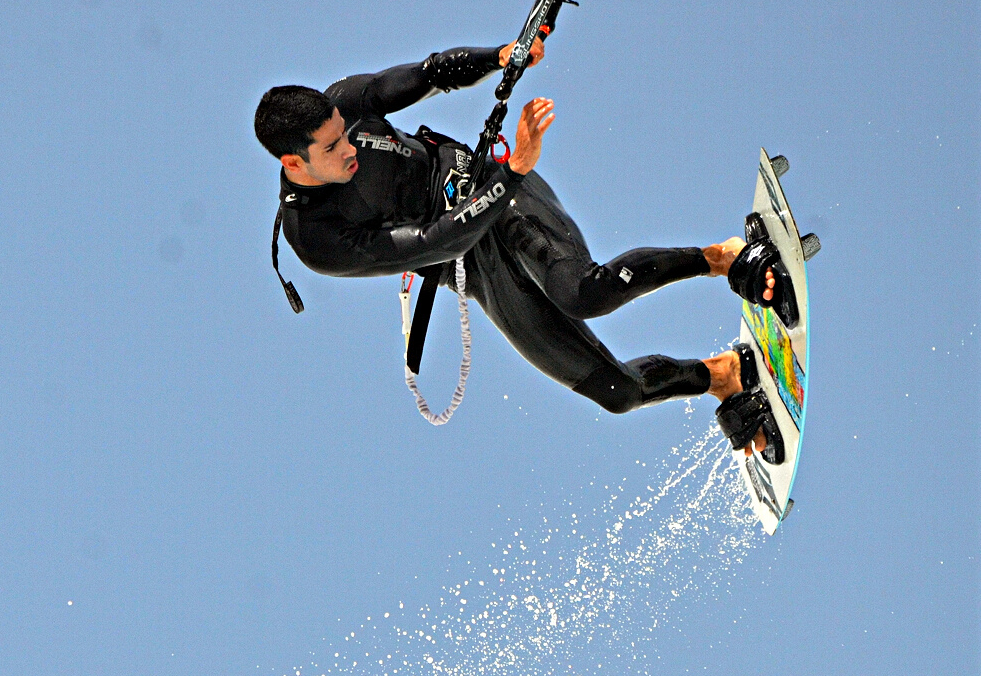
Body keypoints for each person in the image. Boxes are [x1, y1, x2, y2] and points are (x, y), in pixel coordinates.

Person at [254, 43, 783, 458]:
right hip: (470, 246)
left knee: (582, 292)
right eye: (331, 148)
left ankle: (723, 258)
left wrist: (503, 56)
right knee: (616, 392)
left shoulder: (344, 100)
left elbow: (432, 72)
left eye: (344, 133)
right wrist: (515, 170)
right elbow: (435, 242)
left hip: (494, 194)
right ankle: (721, 377)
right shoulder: (317, 238)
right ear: (293, 164)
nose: (348, 148)